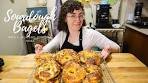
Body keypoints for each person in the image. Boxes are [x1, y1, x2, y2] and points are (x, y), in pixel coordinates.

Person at [35, 0, 120, 59]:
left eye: (80, 15)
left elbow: (117, 48)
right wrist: (39, 49)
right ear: (65, 18)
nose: (78, 20)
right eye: (73, 15)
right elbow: (44, 52)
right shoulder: (62, 35)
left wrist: (108, 49)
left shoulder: (91, 34)